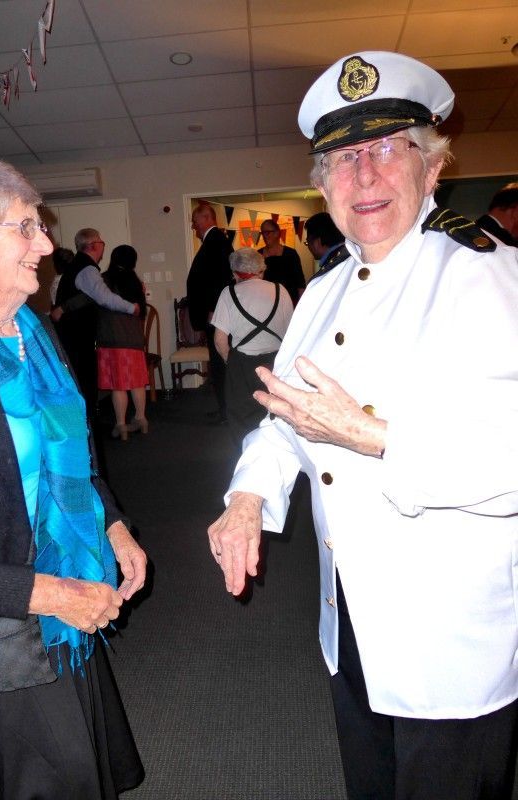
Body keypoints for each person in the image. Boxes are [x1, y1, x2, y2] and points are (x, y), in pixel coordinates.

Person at [207, 50, 518, 800]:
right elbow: (288, 419)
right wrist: (246, 498)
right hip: (348, 615)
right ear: (323, 187)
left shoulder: (486, 278)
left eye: (385, 149)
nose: (365, 177)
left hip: (449, 635)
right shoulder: (323, 290)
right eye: (343, 160)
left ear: (432, 167)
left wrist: (375, 437)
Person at [0, 151, 148, 800]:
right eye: (22, 227)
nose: (44, 245)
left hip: (62, 589)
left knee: (79, 766)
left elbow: (71, 456)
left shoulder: (31, 332)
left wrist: (114, 528)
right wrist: (58, 596)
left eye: (39, 227)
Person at [54, 228, 139, 420]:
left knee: (83, 384)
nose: (103, 245)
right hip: (77, 336)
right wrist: (131, 308)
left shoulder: (78, 267)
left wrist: (63, 308)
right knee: (84, 384)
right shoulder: (87, 269)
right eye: (101, 242)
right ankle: (89, 430)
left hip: (72, 334)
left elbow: (87, 297)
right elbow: (104, 297)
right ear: (92, 246)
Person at [212, 247, 293, 445]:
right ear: (261, 270)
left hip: (241, 365)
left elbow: (220, 340)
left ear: (234, 273)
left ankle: (248, 458)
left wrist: (230, 361)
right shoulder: (280, 290)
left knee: (241, 419)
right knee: (278, 416)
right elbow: (292, 332)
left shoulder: (228, 293)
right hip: (275, 364)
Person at [186, 203, 233, 423]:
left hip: (216, 314)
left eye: (195, 221)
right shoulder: (214, 242)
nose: (194, 226)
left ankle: (227, 411)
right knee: (217, 363)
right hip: (215, 313)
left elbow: (220, 279)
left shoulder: (217, 242)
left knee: (219, 363)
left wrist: (213, 309)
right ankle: (224, 409)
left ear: (206, 219)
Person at [97, 245, 148, 441]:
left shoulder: (104, 280)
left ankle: (121, 425)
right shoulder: (135, 282)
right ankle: (141, 419)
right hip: (134, 339)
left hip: (112, 338)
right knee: (137, 382)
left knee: (118, 385)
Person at [258, 219, 306, 306]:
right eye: (262, 233)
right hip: (266, 304)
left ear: (277, 233)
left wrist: (301, 306)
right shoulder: (258, 255)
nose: (264, 236)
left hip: (289, 302)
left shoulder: (290, 254)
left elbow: (300, 282)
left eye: (268, 232)